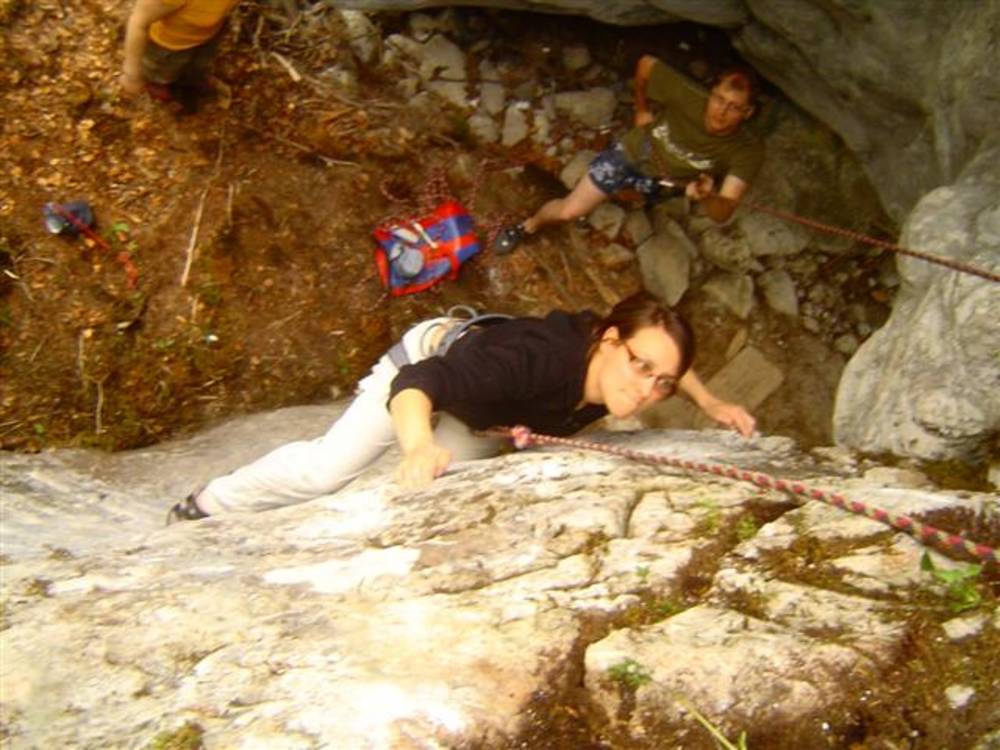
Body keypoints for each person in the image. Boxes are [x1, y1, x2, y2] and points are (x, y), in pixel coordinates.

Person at [166, 292, 756, 521]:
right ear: (607, 341)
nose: (649, 390)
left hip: (485, 407)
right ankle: (206, 503)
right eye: (641, 368)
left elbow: (664, 355)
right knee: (327, 470)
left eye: (663, 384)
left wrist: (709, 400)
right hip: (430, 364)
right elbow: (419, 383)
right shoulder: (534, 362)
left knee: (455, 480)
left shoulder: (621, 353)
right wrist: (419, 444)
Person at [494, 56, 764, 254]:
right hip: (633, 153)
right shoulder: (689, 95)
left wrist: (708, 196)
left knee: (633, 196)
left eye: (734, 107)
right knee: (570, 211)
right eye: (718, 99)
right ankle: (528, 225)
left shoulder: (747, 150)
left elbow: (722, 213)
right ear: (711, 93)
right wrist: (641, 109)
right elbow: (646, 64)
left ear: (748, 112)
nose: (720, 111)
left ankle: (617, 194)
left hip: (668, 180)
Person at [121, 0, 239, 103]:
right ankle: (158, 85)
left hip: (207, 37)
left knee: (198, 66)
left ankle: (191, 80)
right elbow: (139, 22)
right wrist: (132, 75)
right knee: (161, 74)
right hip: (167, 47)